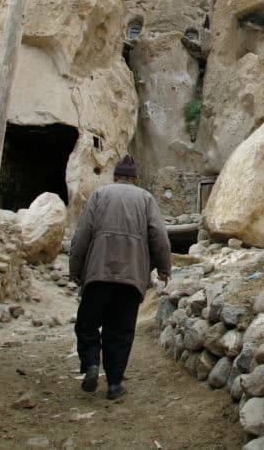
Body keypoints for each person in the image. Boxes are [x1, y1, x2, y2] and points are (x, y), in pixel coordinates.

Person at [69, 155, 171, 400]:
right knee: (121, 330)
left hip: (98, 274)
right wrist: (164, 268)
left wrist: (75, 269)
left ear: (115, 176)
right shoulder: (146, 199)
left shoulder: (100, 195)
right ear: (135, 179)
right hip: (132, 278)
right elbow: (159, 236)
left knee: (87, 323)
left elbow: (82, 235)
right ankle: (114, 384)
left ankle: (92, 364)